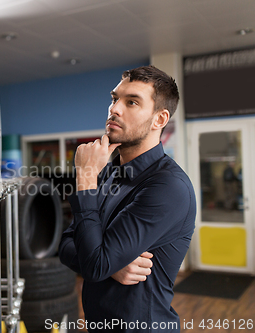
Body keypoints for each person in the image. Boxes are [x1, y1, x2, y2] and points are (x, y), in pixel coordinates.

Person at [59, 65, 196, 332]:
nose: (114, 109)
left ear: (159, 119)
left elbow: (95, 264)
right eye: (114, 99)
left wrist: (85, 176)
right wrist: (109, 266)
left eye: (131, 102)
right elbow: (65, 244)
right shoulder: (109, 172)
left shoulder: (168, 186)